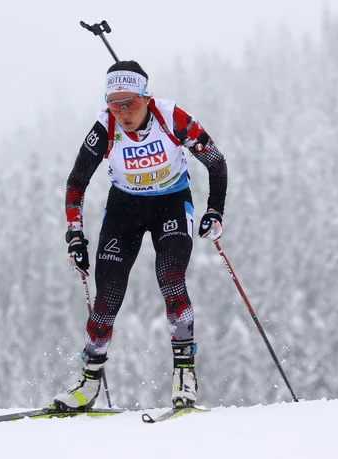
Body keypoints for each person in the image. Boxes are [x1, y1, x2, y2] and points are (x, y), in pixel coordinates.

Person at [53, 60, 228, 410]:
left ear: (146, 98)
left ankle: (184, 374)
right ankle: (89, 382)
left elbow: (216, 162)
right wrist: (75, 236)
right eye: (114, 104)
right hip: (125, 210)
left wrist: (214, 211)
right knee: (109, 293)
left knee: (170, 276)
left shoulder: (172, 118)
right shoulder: (104, 128)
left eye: (130, 103)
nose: (122, 112)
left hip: (171, 204)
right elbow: (76, 182)